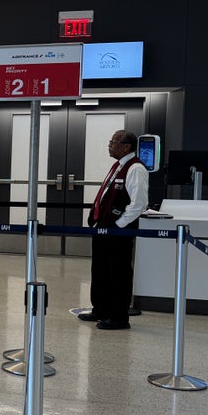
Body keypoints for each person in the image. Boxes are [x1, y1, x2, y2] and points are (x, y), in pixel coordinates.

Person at [79, 129, 148, 330]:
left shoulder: (135, 169)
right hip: (103, 229)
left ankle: (118, 317)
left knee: (118, 273)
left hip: (118, 232)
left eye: (113, 142)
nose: (109, 145)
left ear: (127, 146)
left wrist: (119, 225)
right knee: (101, 270)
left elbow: (138, 204)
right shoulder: (118, 166)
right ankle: (100, 309)